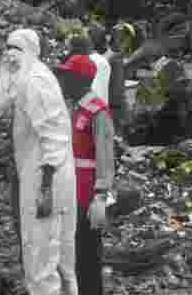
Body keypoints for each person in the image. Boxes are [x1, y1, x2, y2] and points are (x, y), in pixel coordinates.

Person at [0, 29, 78, 295]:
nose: (10, 54)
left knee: (42, 252)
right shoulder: (23, 78)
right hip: (40, 174)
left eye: (17, 48)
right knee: (50, 252)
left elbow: (54, 138)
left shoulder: (35, 81)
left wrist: (45, 188)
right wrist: (4, 73)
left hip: (47, 177)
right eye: (7, 48)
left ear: (32, 51)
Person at [54, 54, 114, 295]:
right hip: (70, 189)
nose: (63, 82)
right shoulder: (73, 108)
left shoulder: (97, 112)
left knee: (88, 255)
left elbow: (105, 155)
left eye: (68, 77)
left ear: (81, 80)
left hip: (86, 193)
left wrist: (101, 195)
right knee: (71, 250)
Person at [86, 25, 111, 106]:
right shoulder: (102, 60)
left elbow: (96, 91)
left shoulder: (99, 61)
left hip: (94, 108)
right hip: (98, 107)